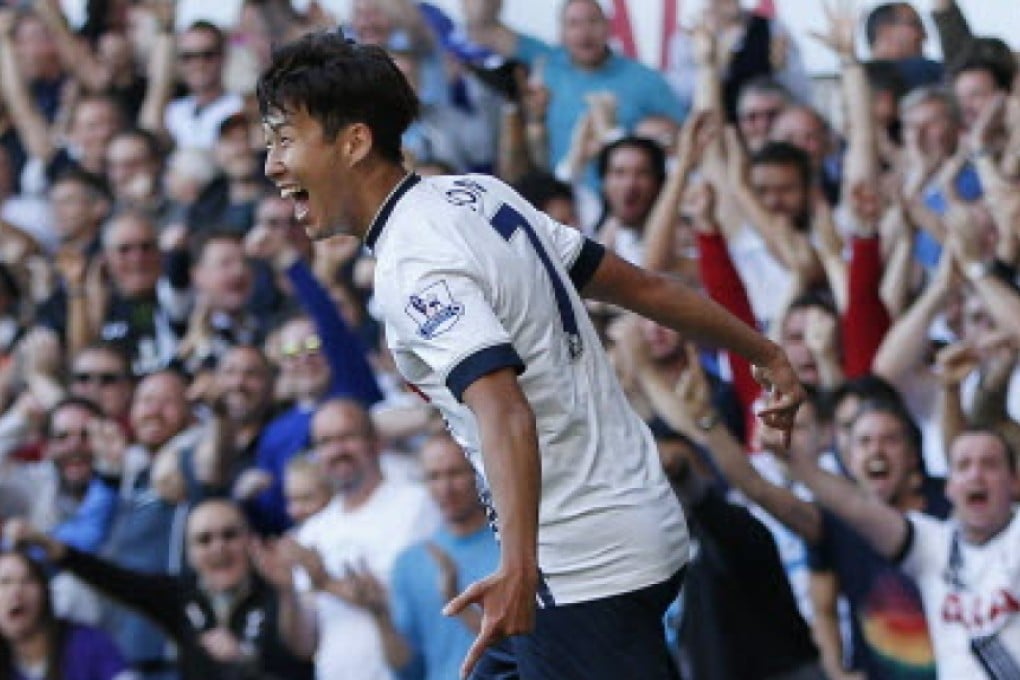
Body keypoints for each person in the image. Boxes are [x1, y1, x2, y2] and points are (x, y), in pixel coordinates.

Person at [257, 32, 803, 680]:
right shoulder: (477, 195)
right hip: (628, 519)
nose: (271, 165)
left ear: (352, 142)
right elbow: (645, 288)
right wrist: (766, 353)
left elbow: (505, 410)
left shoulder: (412, 265)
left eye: (285, 140)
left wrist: (519, 569)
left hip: (581, 565)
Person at [781, 428, 1020, 679]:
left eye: (990, 464)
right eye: (963, 466)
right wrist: (792, 458)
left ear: (1015, 481)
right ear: (949, 486)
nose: (976, 475)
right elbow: (858, 506)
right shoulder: (934, 542)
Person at [0, 550, 129, 680]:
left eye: (28, 580)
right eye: (4, 582)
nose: (16, 591)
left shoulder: (86, 644)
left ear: (45, 592)